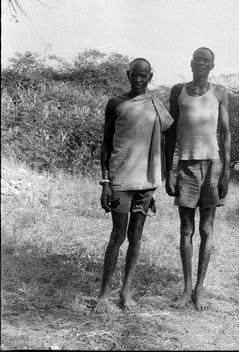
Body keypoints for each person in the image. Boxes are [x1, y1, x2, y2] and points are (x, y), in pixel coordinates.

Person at [95, 58, 173, 314]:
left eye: (143, 76)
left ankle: (125, 292)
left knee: (136, 236)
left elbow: (167, 138)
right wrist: (105, 181)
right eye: (134, 75)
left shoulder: (155, 105)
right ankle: (104, 295)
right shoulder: (116, 103)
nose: (138, 80)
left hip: (145, 182)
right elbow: (106, 144)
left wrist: (159, 176)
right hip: (119, 179)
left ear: (150, 77)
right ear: (128, 74)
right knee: (117, 235)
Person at [165, 47, 231, 311]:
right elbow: (170, 133)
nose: (201, 64)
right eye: (197, 60)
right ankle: (186, 288)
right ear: (191, 63)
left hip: (213, 165)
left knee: (206, 229)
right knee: (186, 229)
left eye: (206, 61)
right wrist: (169, 170)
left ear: (212, 65)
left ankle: (200, 289)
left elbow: (225, 133)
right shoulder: (178, 91)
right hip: (186, 166)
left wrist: (226, 171)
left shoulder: (220, 92)